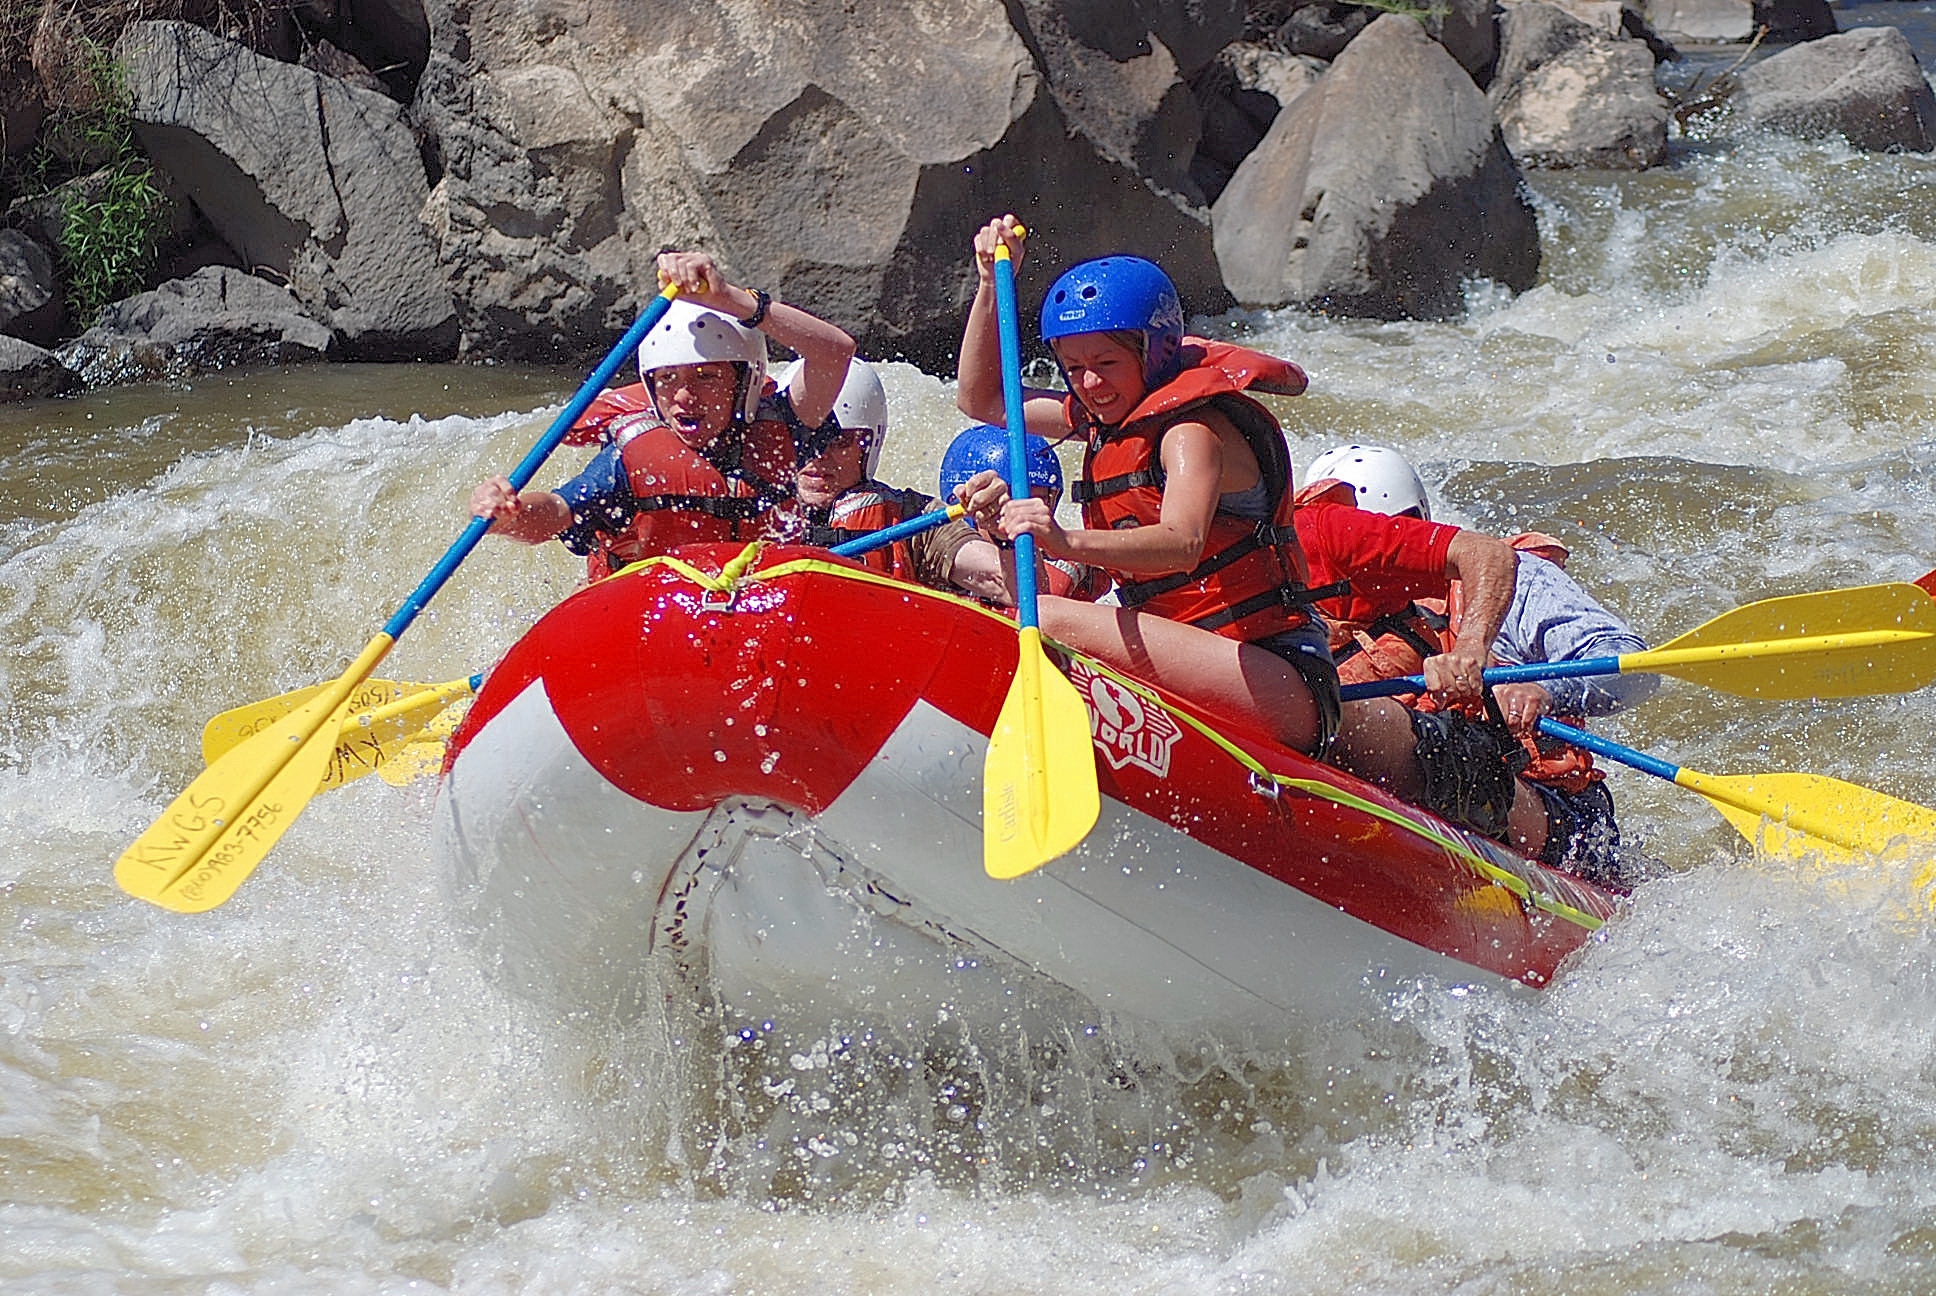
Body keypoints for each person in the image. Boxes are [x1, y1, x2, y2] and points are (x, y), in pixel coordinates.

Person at [953, 216, 1410, 757]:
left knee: (1044, 618)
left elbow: (1183, 542)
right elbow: (982, 401)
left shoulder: (1192, 432)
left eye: (1107, 363)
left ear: (1156, 353)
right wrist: (988, 283)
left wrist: (1065, 540)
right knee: (1026, 610)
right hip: (1197, 656)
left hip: (1279, 677)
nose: (1090, 384)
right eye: (1073, 368)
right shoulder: (1102, 418)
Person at [1305, 443, 1658, 887]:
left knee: (1449, 751)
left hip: (1549, 815)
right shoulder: (1312, 611)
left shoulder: (1511, 583)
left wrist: (1544, 692)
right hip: (1407, 796)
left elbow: (1633, 668)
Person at [468, 250, 855, 576]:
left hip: (766, 604)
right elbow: (557, 511)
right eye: (668, 379)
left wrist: (732, 300)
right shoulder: (635, 456)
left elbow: (834, 351)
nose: (684, 396)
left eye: (706, 377)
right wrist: (510, 516)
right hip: (666, 614)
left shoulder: (785, 425)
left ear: (745, 382)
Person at [771, 356, 1004, 596]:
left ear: (868, 445)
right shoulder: (751, 510)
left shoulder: (915, 519)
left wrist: (1002, 534)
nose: (817, 455)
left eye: (838, 439)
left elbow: (1005, 584)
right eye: (800, 436)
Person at [936, 424, 1111, 604]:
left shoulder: (1066, 568)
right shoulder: (933, 557)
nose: (1023, 514)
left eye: (1038, 503)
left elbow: (1039, 598)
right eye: (1008, 502)